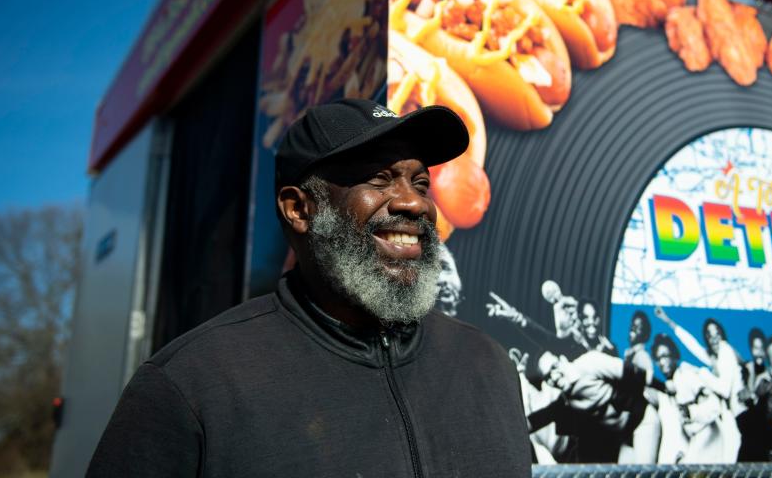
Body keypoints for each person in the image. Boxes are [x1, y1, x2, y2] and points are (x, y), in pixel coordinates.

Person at [87, 99, 532, 477]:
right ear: (299, 210)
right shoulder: (193, 385)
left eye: (420, 182)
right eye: (378, 178)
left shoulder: (487, 365)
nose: (414, 202)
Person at [651, 332, 739, 463]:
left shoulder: (687, 375)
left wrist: (691, 411)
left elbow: (714, 406)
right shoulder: (669, 387)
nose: (662, 362)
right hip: (696, 443)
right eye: (658, 359)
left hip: (710, 438)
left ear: (674, 356)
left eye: (665, 356)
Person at [617, 309, 659, 463]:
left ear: (645, 334)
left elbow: (648, 380)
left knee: (644, 473)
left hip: (644, 420)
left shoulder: (642, 356)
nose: (633, 329)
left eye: (639, 327)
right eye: (632, 325)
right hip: (630, 421)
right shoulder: (629, 355)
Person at [736, 328, 772, 461]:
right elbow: (739, 395)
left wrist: (755, 398)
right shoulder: (746, 370)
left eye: (761, 349)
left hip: (763, 437)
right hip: (746, 434)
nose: (759, 353)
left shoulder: (770, 380)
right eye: (755, 348)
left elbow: (770, 414)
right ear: (751, 349)